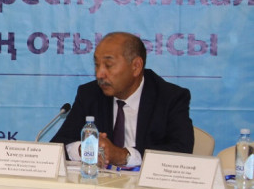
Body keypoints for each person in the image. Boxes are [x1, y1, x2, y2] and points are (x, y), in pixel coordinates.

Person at [50, 31, 194, 166]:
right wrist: (83, 149)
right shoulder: (89, 94)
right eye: (97, 65)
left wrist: (124, 155)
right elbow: (58, 145)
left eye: (108, 65)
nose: (99, 74)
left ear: (136, 66)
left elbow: (181, 150)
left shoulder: (170, 98)